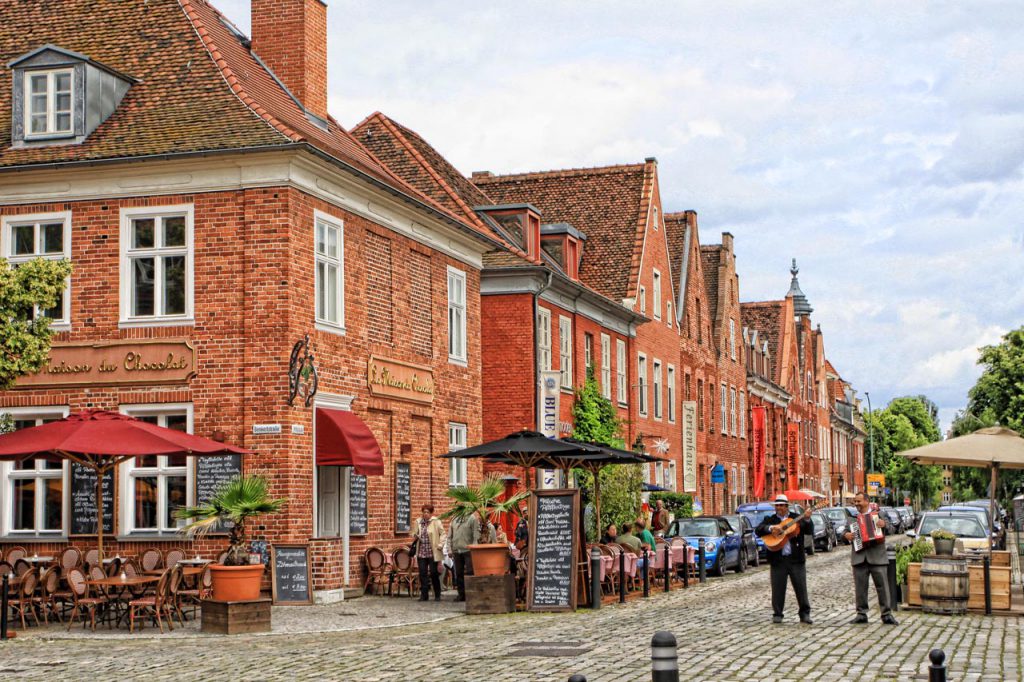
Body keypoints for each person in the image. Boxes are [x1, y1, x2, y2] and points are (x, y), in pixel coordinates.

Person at [755, 494, 814, 624]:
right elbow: (758, 530)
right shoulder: (770, 519)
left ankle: (804, 614)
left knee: (801, 587)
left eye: (781, 505)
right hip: (778, 560)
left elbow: (810, 530)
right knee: (778, 588)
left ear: (787, 506)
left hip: (796, 559)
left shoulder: (796, 518)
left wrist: (808, 519)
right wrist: (771, 528)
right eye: (777, 505)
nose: (779, 508)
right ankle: (777, 613)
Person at [845, 491, 897, 625]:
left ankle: (886, 614)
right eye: (855, 502)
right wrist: (846, 535)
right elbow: (844, 533)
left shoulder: (879, 515)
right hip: (859, 557)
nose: (856, 504)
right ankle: (861, 613)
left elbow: (891, 527)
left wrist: (883, 524)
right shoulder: (852, 518)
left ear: (867, 501)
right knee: (860, 588)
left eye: (859, 501)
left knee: (883, 587)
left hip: (877, 556)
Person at [448, 513, 496, 602]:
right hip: (457, 550)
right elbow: (450, 536)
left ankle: (471, 594)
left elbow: (475, 533)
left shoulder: (472, 518)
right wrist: (449, 549)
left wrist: (474, 547)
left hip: (468, 550)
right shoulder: (454, 518)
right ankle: (461, 594)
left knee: (470, 572)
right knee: (458, 573)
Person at [413, 504, 446, 601]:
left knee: (433, 573)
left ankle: (437, 594)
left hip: (432, 551)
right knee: (422, 573)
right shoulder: (418, 522)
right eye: (424, 512)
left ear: (431, 513)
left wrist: (440, 544)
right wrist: (415, 535)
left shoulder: (436, 522)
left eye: (427, 512)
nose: (425, 514)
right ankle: (424, 595)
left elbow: (443, 534)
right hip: (422, 551)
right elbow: (413, 533)